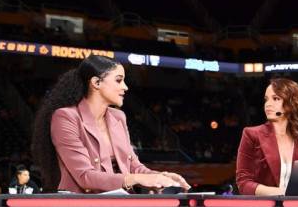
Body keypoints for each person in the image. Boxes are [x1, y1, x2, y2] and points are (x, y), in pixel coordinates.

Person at [32, 55, 190, 193]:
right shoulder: (66, 117)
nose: (125, 87)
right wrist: (135, 179)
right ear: (96, 83)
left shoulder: (118, 117)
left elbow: (133, 166)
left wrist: (159, 177)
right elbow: (84, 176)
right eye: (119, 80)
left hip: (119, 203)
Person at [236, 78, 298, 195]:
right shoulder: (251, 134)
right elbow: (243, 183)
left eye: (276, 99)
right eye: (266, 99)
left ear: (291, 104)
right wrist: (282, 193)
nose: (268, 104)